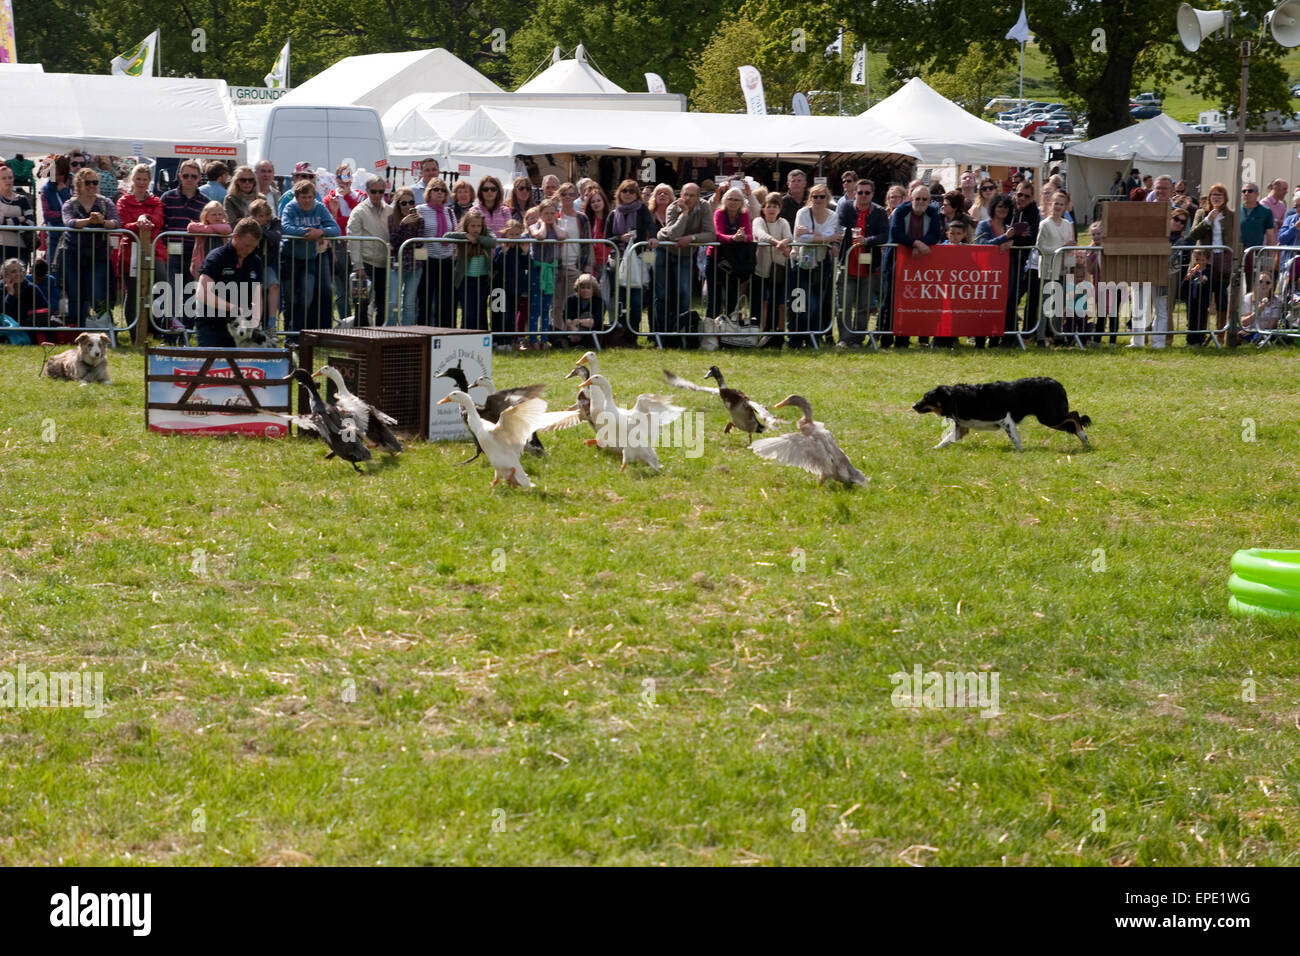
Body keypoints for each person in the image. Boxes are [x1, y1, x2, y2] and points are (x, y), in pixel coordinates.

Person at [59, 166, 119, 334]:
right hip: (73, 254)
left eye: (95, 182)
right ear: (79, 184)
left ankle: (105, 331)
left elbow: (115, 222)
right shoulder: (69, 203)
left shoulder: (105, 202)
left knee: (99, 293)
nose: (92, 185)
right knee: (75, 294)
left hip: (98, 255)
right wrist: (88, 220)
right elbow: (69, 222)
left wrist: (102, 222)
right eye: (88, 182)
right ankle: (77, 332)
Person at [655, 181, 712, 347]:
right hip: (665, 251)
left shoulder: (704, 207)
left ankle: (681, 334)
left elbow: (711, 234)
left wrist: (692, 238)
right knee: (662, 295)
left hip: (686, 254)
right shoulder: (673, 207)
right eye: (685, 194)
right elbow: (674, 235)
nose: (687, 198)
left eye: (691, 195)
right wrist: (685, 214)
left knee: (684, 293)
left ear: (698, 197)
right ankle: (662, 337)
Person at [280, 179, 340, 332]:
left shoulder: (319, 207)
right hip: (290, 259)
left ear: (314, 197)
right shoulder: (290, 207)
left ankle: (301, 334)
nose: (307, 201)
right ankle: (289, 335)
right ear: (297, 197)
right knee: (291, 299)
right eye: (303, 197)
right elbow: (285, 227)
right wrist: (308, 232)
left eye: (309, 197)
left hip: (310, 260)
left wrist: (321, 232)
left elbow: (335, 229)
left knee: (307, 297)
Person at [888, 184, 944, 348]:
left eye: (924, 199)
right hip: (898, 262)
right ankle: (893, 340)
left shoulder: (933, 212)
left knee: (922, 301)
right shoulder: (900, 211)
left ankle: (923, 338)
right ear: (911, 198)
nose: (920, 202)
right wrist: (916, 244)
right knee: (893, 301)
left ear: (930, 200)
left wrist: (919, 246)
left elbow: (935, 235)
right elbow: (896, 233)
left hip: (923, 264)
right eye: (917, 198)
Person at [836, 177, 888, 348]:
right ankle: (845, 338)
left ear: (872, 194)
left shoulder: (879, 212)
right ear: (854, 193)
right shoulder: (845, 207)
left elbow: (884, 236)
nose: (863, 196)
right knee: (844, 306)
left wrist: (867, 240)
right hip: (847, 265)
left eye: (867, 193)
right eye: (860, 192)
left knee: (863, 307)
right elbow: (840, 227)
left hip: (869, 266)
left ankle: (858, 339)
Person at [196, 218, 264, 347]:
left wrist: (255, 320)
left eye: (253, 247)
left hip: (242, 328)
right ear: (236, 237)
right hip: (211, 325)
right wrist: (234, 308)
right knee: (214, 366)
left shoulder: (255, 261)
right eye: (246, 245)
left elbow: (257, 296)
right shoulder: (216, 257)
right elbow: (202, 294)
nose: (249, 250)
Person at [607, 179, 658, 343]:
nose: (627, 194)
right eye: (624, 191)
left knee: (636, 300)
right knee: (620, 301)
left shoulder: (642, 209)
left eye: (631, 191)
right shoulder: (613, 213)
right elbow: (606, 237)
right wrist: (619, 238)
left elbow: (651, 227)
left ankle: (633, 335)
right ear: (619, 193)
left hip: (638, 259)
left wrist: (654, 238)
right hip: (619, 259)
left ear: (637, 195)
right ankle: (621, 335)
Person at [789, 182, 839, 348]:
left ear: (827, 198)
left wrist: (810, 234)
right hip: (801, 263)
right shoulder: (802, 212)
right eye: (815, 196)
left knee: (818, 305)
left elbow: (833, 236)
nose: (818, 199)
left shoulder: (833, 215)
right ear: (810, 198)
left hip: (822, 265)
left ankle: (812, 340)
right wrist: (824, 237)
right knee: (802, 304)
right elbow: (799, 238)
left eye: (822, 196)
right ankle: (796, 339)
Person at [115, 162, 164, 326]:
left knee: (161, 285)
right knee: (133, 291)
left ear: (149, 180)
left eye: (144, 179)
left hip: (154, 249)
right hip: (131, 251)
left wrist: (146, 219)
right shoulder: (123, 201)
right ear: (132, 180)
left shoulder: (156, 201)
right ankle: (133, 330)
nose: (141, 182)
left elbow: (158, 220)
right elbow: (123, 224)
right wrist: (139, 223)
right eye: (138, 179)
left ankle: (156, 325)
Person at [1187, 181, 1233, 339]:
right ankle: (1200, 333)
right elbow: (1193, 234)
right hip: (1204, 261)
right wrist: (1207, 221)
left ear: (1225, 198)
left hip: (1223, 261)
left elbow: (1234, 239)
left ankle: (1220, 333)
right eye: (1214, 195)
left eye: (1220, 195)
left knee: (1221, 298)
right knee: (1201, 298)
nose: (1216, 198)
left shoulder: (1230, 215)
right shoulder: (1201, 213)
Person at [347, 177, 392, 326]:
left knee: (383, 304)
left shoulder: (390, 210)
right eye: (374, 192)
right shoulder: (358, 211)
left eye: (381, 191)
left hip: (384, 265)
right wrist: (358, 265)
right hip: (365, 264)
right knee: (361, 304)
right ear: (367, 191)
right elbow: (353, 239)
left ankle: (380, 336)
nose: (378, 195)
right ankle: (361, 338)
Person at [444, 209, 497, 332]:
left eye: (478, 226)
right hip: (466, 281)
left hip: (482, 280)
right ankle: (465, 335)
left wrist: (477, 238)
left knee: (481, 310)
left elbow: (493, 242)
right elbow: (446, 236)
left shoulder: (486, 234)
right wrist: (465, 236)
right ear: (466, 225)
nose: (476, 229)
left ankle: (481, 336)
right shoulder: (462, 236)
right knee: (468, 311)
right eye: (472, 226)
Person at [1036, 190, 1076, 346]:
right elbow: (1040, 247)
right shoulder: (1044, 224)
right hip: (1048, 268)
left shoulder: (1067, 224)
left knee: (1059, 303)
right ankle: (1040, 336)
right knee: (1046, 304)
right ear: (1050, 204)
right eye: (1056, 203)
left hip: (1063, 268)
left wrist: (1071, 262)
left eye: (1061, 204)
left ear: (1065, 206)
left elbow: (1069, 245)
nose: (1058, 206)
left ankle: (1058, 335)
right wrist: (1061, 247)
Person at [551, 182, 592, 335]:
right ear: (559, 196)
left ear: (576, 196)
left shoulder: (582, 218)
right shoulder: (554, 216)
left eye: (571, 194)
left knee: (570, 304)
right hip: (556, 266)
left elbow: (587, 245)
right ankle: (556, 334)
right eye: (564, 194)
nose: (567, 197)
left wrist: (584, 269)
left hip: (575, 266)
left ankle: (571, 334)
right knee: (556, 304)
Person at [1003, 181, 1040, 346]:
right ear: (1014, 193)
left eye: (1027, 196)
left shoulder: (1033, 212)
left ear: (1032, 198)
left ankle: (1011, 336)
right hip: (1002, 260)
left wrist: (1012, 240)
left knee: (1013, 299)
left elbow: (1031, 237)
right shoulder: (1007, 207)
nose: (1022, 198)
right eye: (1020, 194)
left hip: (1020, 262)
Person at [752, 192, 792, 348]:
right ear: (763, 208)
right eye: (768, 206)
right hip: (760, 269)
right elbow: (760, 235)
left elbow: (789, 236)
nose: (771, 209)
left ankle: (775, 335)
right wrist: (778, 243)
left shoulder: (783, 222)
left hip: (778, 270)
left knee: (777, 302)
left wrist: (785, 242)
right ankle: (756, 334)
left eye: (775, 206)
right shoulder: (758, 221)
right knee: (758, 303)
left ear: (780, 209)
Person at [415, 179, 456, 326]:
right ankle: (423, 334)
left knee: (445, 301)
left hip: (446, 260)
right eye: (436, 189)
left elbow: (455, 233)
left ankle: (444, 333)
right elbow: (416, 235)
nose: (440, 192)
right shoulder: (420, 210)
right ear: (429, 192)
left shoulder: (449, 211)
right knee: (425, 300)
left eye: (443, 190)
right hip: (427, 260)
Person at [708, 187, 752, 318]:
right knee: (714, 299)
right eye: (730, 199)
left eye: (736, 200)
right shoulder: (719, 213)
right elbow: (717, 235)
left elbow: (750, 236)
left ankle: (728, 332)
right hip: (715, 258)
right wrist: (733, 238)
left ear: (742, 202)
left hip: (734, 261)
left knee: (732, 298)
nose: (733, 202)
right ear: (724, 200)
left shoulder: (744, 214)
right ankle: (711, 333)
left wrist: (744, 237)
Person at [388, 187, 423, 327]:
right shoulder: (392, 219)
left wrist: (405, 242)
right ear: (397, 205)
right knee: (393, 302)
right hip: (396, 265)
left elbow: (419, 242)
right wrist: (403, 225)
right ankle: (389, 332)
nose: (408, 206)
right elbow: (394, 242)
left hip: (414, 266)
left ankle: (407, 332)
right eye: (404, 203)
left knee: (409, 303)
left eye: (411, 202)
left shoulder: (420, 220)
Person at [496, 218, 531, 347]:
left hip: (515, 288)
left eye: (517, 234)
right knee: (501, 315)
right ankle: (499, 340)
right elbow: (496, 266)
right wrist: (502, 254)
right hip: (501, 288)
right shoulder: (501, 248)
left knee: (512, 315)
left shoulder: (520, 250)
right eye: (511, 234)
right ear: (505, 234)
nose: (514, 237)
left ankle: (511, 341)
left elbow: (527, 265)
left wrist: (526, 253)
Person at [248, 198, 282, 331]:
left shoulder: (275, 222)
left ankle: (272, 323)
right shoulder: (248, 224)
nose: (261, 219)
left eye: (263, 215)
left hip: (266, 264)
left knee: (274, 285)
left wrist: (260, 231)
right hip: (250, 263)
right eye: (257, 216)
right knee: (254, 292)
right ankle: (255, 323)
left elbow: (276, 237)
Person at [1239, 181, 1277, 291]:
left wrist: (1270, 259)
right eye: (1244, 191)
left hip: (1257, 254)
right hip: (1239, 253)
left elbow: (1270, 236)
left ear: (1257, 194)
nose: (1246, 193)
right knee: (1236, 286)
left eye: (1250, 191)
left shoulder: (1265, 212)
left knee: (1254, 286)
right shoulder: (1237, 211)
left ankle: (1254, 307)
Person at [1, 257, 49, 343]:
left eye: (20, 270)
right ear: (5, 275)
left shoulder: (31, 287)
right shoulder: (1, 288)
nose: (19, 274)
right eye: (13, 271)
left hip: (26, 325)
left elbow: (45, 310)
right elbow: (3, 314)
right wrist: (10, 294)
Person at [0, 164, 35, 266]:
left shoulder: (23, 199)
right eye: (4, 178)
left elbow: (30, 223)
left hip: (21, 249)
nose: (8, 180)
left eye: (10, 177)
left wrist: (6, 223)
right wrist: (19, 219)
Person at [187, 201, 232, 279]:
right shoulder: (201, 226)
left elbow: (227, 229)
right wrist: (211, 228)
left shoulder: (224, 226)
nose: (217, 217)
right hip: (202, 261)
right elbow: (190, 227)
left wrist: (207, 229)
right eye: (213, 215)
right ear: (206, 216)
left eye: (220, 214)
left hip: (220, 262)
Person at [563, 272, 605, 349]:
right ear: (577, 289)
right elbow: (567, 318)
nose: (585, 290)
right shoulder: (571, 300)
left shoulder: (599, 302)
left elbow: (594, 322)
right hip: (572, 331)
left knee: (587, 315)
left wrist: (579, 322)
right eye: (582, 287)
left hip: (591, 333)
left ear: (594, 290)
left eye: (588, 288)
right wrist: (574, 330)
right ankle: (571, 341)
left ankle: (573, 341)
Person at [1239, 270, 1282, 344]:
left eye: (1267, 283)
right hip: (1248, 329)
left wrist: (1256, 330)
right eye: (1260, 281)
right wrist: (1258, 311)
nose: (1263, 284)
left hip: (1264, 330)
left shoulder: (1276, 300)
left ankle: (1255, 340)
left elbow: (1273, 324)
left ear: (1272, 285)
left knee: (1261, 335)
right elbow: (1244, 322)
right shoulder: (1247, 297)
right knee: (1236, 332)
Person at [1183, 247, 1213, 347]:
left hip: (1202, 301)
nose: (1199, 262)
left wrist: (1204, 281)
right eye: (1197, 260)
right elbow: (1183, 287)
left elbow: (1211, 285)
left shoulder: (1208, 271)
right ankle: (1190, 340)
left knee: (1201, 321)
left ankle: (1199, 341)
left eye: (1202, 260)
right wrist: (1187, 278)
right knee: (1191, 321)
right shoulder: (1192, 271)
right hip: (1192, 301)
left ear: (1207, 260)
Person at [41, 155, 74, 228]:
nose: (57, 178)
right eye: (54, 175)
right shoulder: (46, 190)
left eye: (60, 175)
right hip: (55, 233)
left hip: (73, 233)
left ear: (66, 173)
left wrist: (64, 192)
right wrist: (67, 215)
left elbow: (76, 209)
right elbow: (47, 214)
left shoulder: (76, 185)